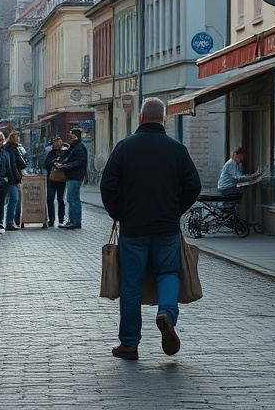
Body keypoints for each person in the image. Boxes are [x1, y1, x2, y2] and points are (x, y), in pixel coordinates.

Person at [100, 97, 202, 360]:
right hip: (166, 226)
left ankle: (129, 344)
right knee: (168, 272)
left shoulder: (124, 147)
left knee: (131, 281)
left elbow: (107, 186)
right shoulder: (177, 150)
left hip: (133, 227)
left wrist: (118, 213)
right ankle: (166, 312)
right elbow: (194, 186)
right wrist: (176, 209)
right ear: (164, 119)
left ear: (141, 118)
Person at [57, 128, 88, 229]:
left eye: (71, 136)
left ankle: (75, 221)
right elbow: (67, 158)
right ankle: (72, 220)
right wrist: (61, 163)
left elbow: (80, 162)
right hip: (73, 176)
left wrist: (64, 166)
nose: (69, 138)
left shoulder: (79, 147)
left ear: (75, 137)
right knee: (71, 199)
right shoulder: (75, 146)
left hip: (75, 176)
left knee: (73, 199)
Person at [3, 131, 28, 230]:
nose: (18, 140)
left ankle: (13, 221)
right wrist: (16, 177)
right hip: (12, 178)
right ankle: (10, 222)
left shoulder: (10, 148)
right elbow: (14, 165)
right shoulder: (11, 149)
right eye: (16, 138)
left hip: (11, 177)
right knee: (14, 199)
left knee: (13, 199)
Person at [44, 137, 67, 227]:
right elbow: (45, 164)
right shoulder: (50, 153)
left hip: (61, 179)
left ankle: (61, 219)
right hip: (51, 179)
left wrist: (61, 164)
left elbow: (67, 162)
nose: (56, 144)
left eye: (58, 142)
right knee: (50, 199)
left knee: (60, 199)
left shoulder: (65, 152)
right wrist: (53, 163)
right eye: (54, 143)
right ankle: (51, 219)